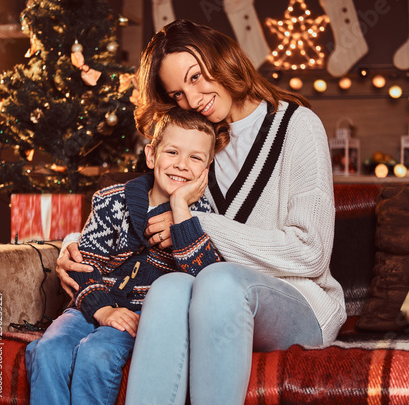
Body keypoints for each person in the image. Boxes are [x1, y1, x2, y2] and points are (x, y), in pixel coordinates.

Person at [56, 19, 346, 405]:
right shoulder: (195, 143)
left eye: (196, 77)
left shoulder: (298, 127)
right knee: (170, 286)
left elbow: (310, 253)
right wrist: (72, 243)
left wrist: (198, 222)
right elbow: (134, 201)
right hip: (212, 297)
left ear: (221, 57)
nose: (193, 100)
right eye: (177, 94)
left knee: (220, 282)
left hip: (301, 302)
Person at [25, 107, 222, 405]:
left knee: (97, 354)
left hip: (142, 317)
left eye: (195, 158)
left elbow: (209, 279)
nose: (182, 165)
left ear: (207, 168)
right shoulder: (111, 200)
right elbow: (82, 262)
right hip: (90, 303)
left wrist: (181, 209)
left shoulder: (203, 217)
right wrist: (103, 310)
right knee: (48, 348)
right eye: (172, 152)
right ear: (151, 155)